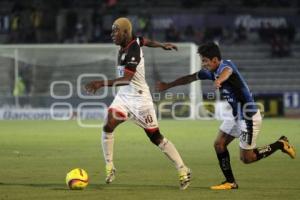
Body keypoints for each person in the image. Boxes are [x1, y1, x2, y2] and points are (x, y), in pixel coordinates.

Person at [156, 42, 296, 190]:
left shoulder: (226, 66)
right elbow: (190, 78)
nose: (203, 64)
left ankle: (280, 144)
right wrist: (168, 85)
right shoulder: (210, 71)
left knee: (247, 158)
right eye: (202, 61)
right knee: (219, 144)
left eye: (205, 61)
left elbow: (227, 72)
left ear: (215, 60)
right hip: (236, 115)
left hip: (248, 117)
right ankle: (230, 182)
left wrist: (219, 80)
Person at [85, 17, 191, 190]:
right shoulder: (132, 41)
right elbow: (145, 41)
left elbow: (127, 79)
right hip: (124, 98)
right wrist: (162, 45)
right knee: (108, 125)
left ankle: (183, 169)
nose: (112, 34)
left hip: (141, 101)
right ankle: (110, 166)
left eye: (115, 31)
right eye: (112, 31)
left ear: (126, 32)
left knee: (156, 137)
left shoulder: (132, 49)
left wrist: (101, 83)